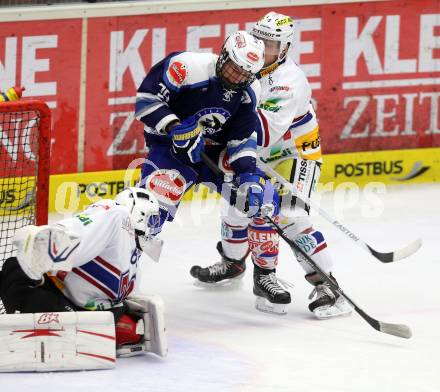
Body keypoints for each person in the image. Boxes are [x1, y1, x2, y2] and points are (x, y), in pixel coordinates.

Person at [190, 12, 352, 319]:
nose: (264, 50)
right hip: (254, 152)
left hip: (293, 155)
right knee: (241, 205)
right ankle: (233, 262)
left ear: (285, 48)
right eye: (260, 41)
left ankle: (327, 285)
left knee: (291, 217)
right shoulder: (242, 63)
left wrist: (214, 123)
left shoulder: (289, 82)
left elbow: (261, 134)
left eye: (272, 45)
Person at [134, 31, 289, 313]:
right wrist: (173, 126)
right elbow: (146, 100)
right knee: (146, 211)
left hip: (216, 154)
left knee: (263, 198)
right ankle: (123, 274)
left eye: (244, 73)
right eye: (232, 67)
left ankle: (264, 276)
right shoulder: (186, 67)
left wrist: (248, 176)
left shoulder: (248, 93)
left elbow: (242, 138)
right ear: (223, 55)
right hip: (173, 151)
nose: (236, 76)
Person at [0, 187, 167, 369]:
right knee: (16, 268)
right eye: (153, 218)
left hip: (74, 312)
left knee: (14, 269)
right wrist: (55, 238)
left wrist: (52, 240)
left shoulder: (125, 234)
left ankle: (39, 330)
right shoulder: (118, 216)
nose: (155, 226)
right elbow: (84, 226)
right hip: (88, 314)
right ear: (138, 211)